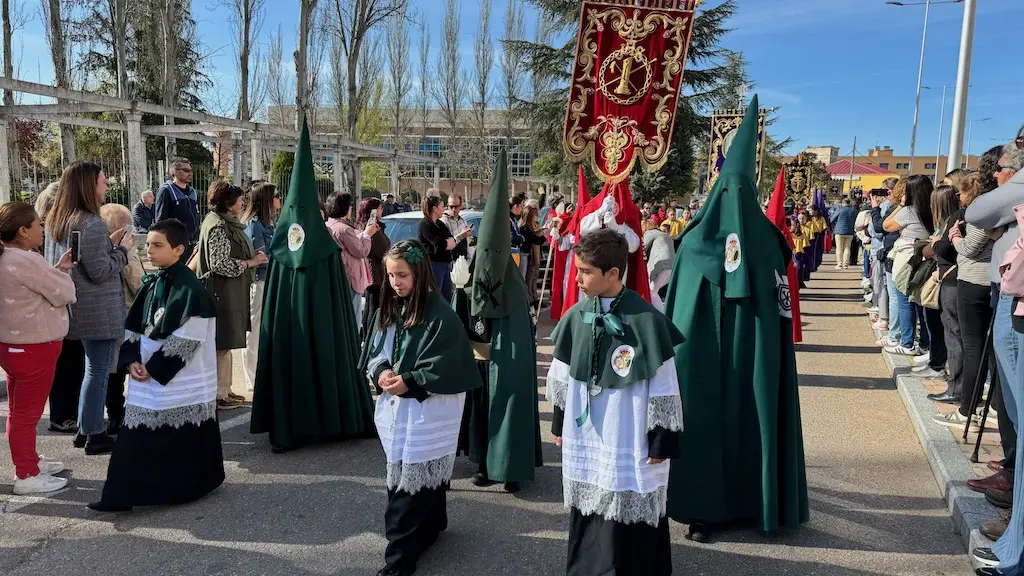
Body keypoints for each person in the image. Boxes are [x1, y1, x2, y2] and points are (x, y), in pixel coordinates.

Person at [664, 97, 808, 543]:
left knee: (705, 414)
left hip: (709, 358)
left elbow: (677, 312)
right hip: (751, 355)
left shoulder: (693, 243)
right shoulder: (769, 243)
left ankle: (704, 510)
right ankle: (757, 502)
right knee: (751, 410)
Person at [547, 228, 684, 575]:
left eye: (585, 271)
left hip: (629, 429)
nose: (577, 278)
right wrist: (560, 421)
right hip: (588, 431)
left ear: (612, 274)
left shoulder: (647, 320)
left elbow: (665, 385)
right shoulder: (576, 316)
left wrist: (661, 439)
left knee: (630, 501)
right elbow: (562, 375)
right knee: (590, 503)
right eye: (578, 270)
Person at [359, 240, 483, 576]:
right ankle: (431, 525)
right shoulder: (390, 307)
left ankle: (399, 559)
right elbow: (377, 348)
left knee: (412, 476)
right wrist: (382, 371)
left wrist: (411, 380)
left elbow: (450, 362)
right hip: (399, 404)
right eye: (390, 275)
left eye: (402, 275)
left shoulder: (440, 313)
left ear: (419, 273)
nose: (395, 282)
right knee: (411, 471)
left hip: (430, 405)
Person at [251, 119, 376, 453]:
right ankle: (330, 419)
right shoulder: (322, 249)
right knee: (326, 354)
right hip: (318, 328)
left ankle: (291, 424)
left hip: (289, 331)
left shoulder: (281, 251)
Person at [88, 219, 225, 512]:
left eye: (157, 245)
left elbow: (190, 337)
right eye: (148, 244)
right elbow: (134, 326)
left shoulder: (191, 290)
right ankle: (121, 495)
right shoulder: (153, 283)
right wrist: (131, 360)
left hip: (176, 376)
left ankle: (185, 487)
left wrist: (154, 368)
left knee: (176, 438)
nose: (149, 250)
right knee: (135, 435)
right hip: (145, 372)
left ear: (179, 250)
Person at [464, 150, 543, 492]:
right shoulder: (471, 280)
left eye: (495, 253)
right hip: (482, 357)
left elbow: (521, 334)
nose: (490, 259)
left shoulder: (515, 289)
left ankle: (511, 467)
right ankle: (484, 463)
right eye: (485, 253)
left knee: (510, 403)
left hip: (507, 359)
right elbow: (469, 314)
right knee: (482, 406)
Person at [45, 161, 132, 456]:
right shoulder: (91, 223)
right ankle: (95, 433)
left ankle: (86, 428)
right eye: (103, 181)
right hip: (98, 309)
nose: (106, 186)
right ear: (88, 185)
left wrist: (109, 247)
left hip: (77, 306)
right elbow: (100, 271)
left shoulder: (59, 220)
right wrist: (122, 251)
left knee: (91, 370)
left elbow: (84, 261)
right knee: (98, 371)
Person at [0, 202, 77, 495]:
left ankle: (29, 461)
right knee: (26, 415)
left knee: (17, 411)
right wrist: (61, 274)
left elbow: (30, 289)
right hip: (34, 347)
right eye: (38, 224)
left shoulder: (7, 256)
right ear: (23, 231)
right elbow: (65, 292)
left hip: (13, 346)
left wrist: (57, 270)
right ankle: (27, 474)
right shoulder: (26, 260)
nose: (42, 229)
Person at [194, 181, 268, 410]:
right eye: (239, 200)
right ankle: (218, 393)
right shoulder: (218, 225)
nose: (243, 203)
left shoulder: (222, 222)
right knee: (220, 344)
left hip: (227, 291)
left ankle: (224, 389)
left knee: (224, 344)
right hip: (220, 292)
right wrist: (251, 262)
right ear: (228, 203)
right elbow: (219, 264)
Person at [933, 172, 994, 429]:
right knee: (984, 346)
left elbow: (968, 248)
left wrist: (955, 236)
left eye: (962, 192)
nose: (959, 196)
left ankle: (968, 408)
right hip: (986, 281)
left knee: (973, 347)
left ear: (971, 191)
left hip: (974, 281)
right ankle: (989, 404)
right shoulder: (993, 211)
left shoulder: (980, 214)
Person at [98, 203, 146, 436]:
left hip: (105, 316)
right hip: (126, 314)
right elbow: (138, 283)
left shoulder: (99, 250)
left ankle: (112, 413)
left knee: (110, 372)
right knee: (127, 366)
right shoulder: (126, 252)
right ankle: (122, 415)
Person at [882, 175, 935, 356]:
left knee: (904, 300)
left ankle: (907, 343)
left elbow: (886, 225)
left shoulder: (909, 210)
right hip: (926, 257)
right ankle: (925, 344)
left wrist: (901, 205)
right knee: (921, 301)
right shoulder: (933, 208)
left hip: (907, 257)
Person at [924, 184, 963, 399]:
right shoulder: (958, 219)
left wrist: (936, 243)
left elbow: (944, 249)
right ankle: (957, 384)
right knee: (954, 334)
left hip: (951, 281)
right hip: (954, 279)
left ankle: (956, 388)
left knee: (953, 335)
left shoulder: (953, 221)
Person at [242, 181, 280, 391]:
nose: (279, 200)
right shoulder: (254, 224)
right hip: (259, 281)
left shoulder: (269, 224)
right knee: (254, 330)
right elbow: (262, 256)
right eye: (275, 196)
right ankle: (252, 377)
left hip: (271, 280)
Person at [326, 191, 379, 331]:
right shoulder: (344, 229)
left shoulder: (329, 225)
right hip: (351, 279)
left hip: (340, 277)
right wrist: (367, 235)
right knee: (353, 320)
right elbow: (361, 251)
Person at [418, 196, 465, 302]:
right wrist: (447, 243)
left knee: (447, 297)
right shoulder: (425, 225)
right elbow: (440, 244)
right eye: (442, 206)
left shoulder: (439, 224)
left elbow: (451, 240)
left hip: (446, 264)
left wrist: (449, 243)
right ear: (435, 208)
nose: (444, 209)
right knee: (435, 296)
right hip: (434, 265)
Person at [358, 197, 391, 333]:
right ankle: (370, 336)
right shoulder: (371, 228)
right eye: (380, 208)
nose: (382, 210)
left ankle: (368, 334)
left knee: (370, 306)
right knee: (373, 306)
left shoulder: (371, 226)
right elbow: (382, 249)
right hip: (375, 274)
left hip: (373, 272)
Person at [154, 157, 200, 255]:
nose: (190, 173)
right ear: (174, 172)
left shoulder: (192, 192)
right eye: (186, 170)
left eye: (191, 171)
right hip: (175, 246)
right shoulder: (166, 190)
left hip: (193, 245)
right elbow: (160, 221)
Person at [519, 203, 548, 306]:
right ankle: (526, 300)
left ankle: (530, 299)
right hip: (524, 255)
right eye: (535, 215)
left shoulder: (529, 227)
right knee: (524, 278)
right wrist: (544, 234)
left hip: (528, 255)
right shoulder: (524, 228)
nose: (537, 217)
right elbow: (536, 240)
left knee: (531, 278)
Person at [641, 219, 675, 309]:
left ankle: (661, 314)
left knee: (652, 292)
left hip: (662, 265)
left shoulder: (649, 233)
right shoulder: (663, 235)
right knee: (654, 291)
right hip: (671, 266)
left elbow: (643, 247)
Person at [439, 194, 470, 260]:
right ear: (447, 206)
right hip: (450, 259)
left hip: (463, 259)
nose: (453, 209)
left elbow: (466, 242)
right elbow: (444, 244)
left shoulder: (463, 221)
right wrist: (461, 235)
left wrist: (468, 256)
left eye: (456, 207)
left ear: (460, 206)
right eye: (451, 207)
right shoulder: (443, 222)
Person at [830, 198, 857, 269]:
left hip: (839, 231)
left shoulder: (840, 209)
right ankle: (845, 264)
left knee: (839, 248)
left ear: (843, 203)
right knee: (847, 247)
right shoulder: (854, 211)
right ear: (849, 203)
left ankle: (839, 264)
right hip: (850, 231)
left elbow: (832, 219)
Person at [509, 192, 528, 276]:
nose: (522, 209)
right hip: (511, 253)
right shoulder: (508, 219)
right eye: (521, 206)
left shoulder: (513, 219)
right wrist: (521, 239)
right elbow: (510, 236)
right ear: (515, 206)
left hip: (515, 252)